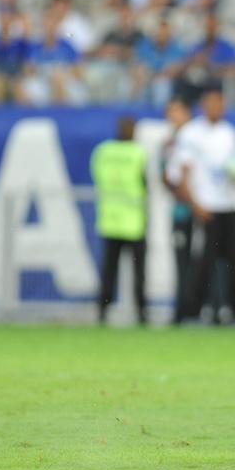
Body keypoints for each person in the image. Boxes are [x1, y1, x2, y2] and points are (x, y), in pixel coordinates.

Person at [169, 84, 235, 325]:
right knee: (203, 262)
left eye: (220, 104)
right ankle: (195, 310)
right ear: (203, 107)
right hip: (205, 207)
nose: (217, 108)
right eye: (212, 104)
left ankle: (234, 311)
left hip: (227, 205)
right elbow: (183, 174)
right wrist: (195, 205)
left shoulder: (229, 133)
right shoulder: (191, 133)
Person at [91, 115, 148, 325]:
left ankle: (102, 310)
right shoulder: (137, 152)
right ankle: (141, 312)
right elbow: (143, 182)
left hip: (110, 219)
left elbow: (97, 177)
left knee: (109, 270)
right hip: (133, 221)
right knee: (138, 271)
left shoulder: (103, 151)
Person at [160, 98, 193, 324]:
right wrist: (181, 193)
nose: (173, 116)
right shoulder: (169, 143)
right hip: (182, 212)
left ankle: (197, 308)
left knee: (200, 261)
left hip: (203, 210)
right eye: (170, 112)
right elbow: (163, 174)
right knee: (182, 261)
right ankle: (182, 311)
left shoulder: (196, 138)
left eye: (177, 111)